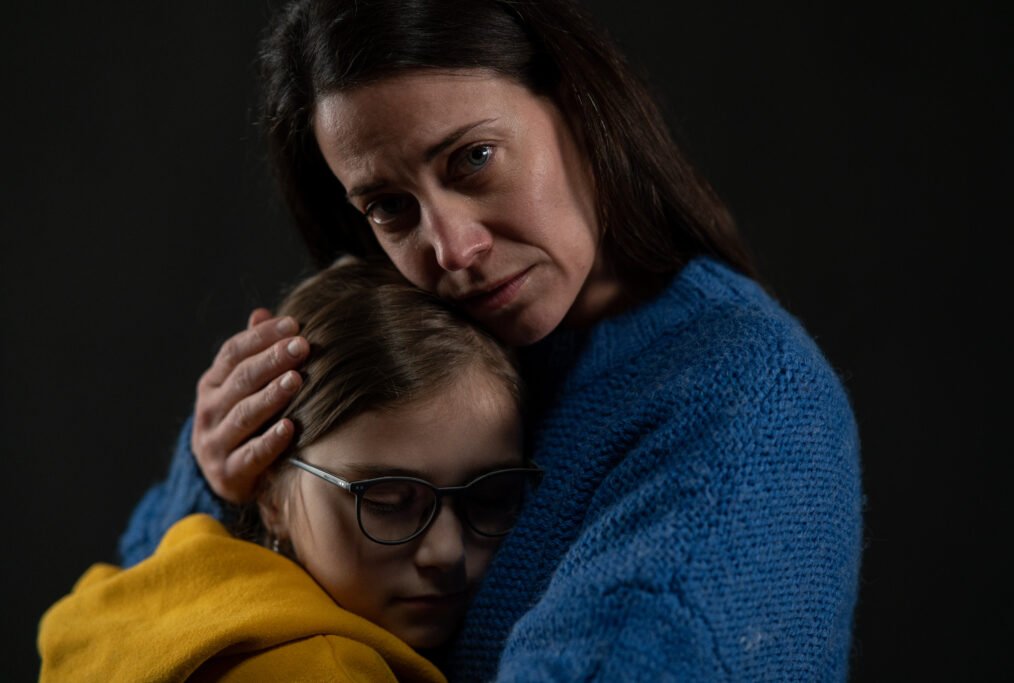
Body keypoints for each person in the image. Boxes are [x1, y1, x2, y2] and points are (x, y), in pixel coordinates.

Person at [119, 0, 862, 680]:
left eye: (473, 158)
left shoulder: (748, 405)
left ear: (578, 107)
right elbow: (122, 627)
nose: (453, 248)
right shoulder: (393, 345)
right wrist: (219, 483)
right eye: (390, 206)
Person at [39, 260, 539, 682]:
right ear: (270, 493)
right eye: (388, 502)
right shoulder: (327, 669)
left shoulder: (122, 601)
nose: (448, 553)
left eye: (490, 497)